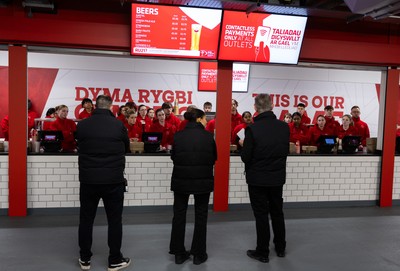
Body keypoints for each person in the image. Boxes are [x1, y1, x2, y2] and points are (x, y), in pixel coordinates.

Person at [75, 95, 131, 271]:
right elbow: (127, 146)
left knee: (86, 220)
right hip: (113, 181)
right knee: (114, 221)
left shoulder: (82, 125)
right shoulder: (119, 125)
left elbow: (78, 143)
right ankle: (114, 260)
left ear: (95, 106)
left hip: (88, 181)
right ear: (111, 107)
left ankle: (85, 259)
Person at [241, 93, 289, 263]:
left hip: (257, 179)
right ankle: (281, 247)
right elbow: (285, 151)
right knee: (277, 212)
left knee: (261, 215)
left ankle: (263, 251)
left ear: (255, 108)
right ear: (272, 106)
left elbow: (246, 157)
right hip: (277, 177)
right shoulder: (284, 127)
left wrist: (243, 146)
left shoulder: (252, 129)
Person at [169, 108, 217, 265]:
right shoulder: (208, 137)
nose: (206, 121)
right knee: (201, 215)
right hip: (202, 181)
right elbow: (214, 157)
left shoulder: (178, 136)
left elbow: (174, 157)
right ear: (198, 119)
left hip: (181, 180)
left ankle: (178, 253)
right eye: (204, 118)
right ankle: (198, 254)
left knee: (179, 216)